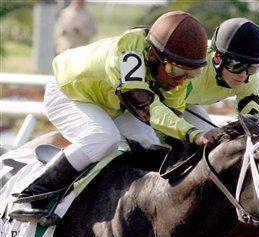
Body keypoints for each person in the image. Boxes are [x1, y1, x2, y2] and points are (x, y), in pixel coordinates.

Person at [9, 11, 214, 223]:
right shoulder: (129, 54)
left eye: (191, 74)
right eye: (176, 70)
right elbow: (146, 107)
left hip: (113, 106)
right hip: (69, 94)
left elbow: (170, 125)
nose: (181, 80)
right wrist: (194, 133)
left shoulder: (174, 75)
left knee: (150, 144)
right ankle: (32, 195)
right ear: (154, 56)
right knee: (104, 138)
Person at [182, 17, 259, 131]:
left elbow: (252, 118)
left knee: (208, 140)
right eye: (237, 64)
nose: (243, 75)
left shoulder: (250, 79)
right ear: (217, 57)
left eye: (252, 67)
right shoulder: (192, 64)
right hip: (155, 99)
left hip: (186, 103)